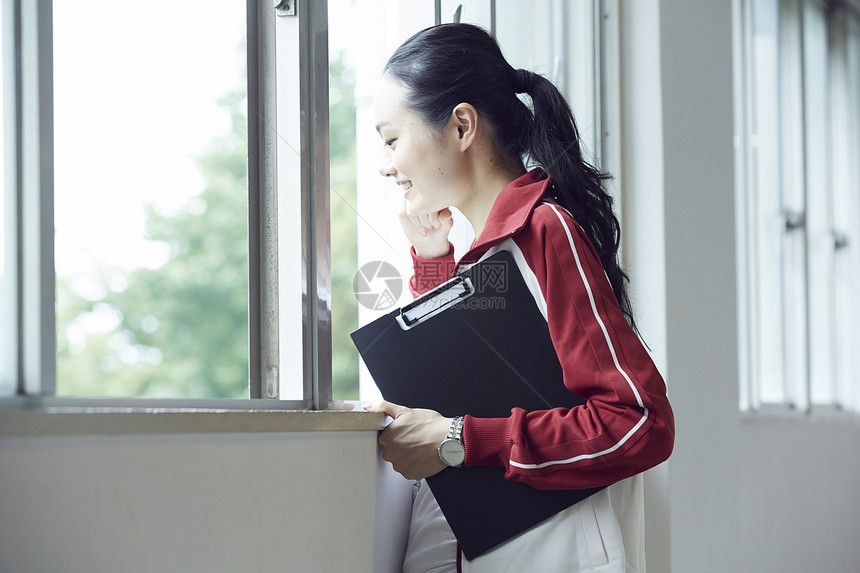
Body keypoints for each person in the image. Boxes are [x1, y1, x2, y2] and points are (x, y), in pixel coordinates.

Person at [366, 23, 674, 572]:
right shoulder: (493, 255)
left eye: (391, 139)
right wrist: (435, 260)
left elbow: (639, 423)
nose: (385, 164)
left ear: (462, 125)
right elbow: (475, 381)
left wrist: (459, 439)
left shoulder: (544, 231)